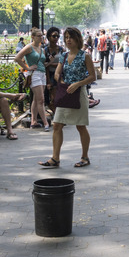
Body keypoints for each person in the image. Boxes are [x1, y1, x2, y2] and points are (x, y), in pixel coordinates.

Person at [39, 27, 96, 168]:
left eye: (71, 37)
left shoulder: (85, 56)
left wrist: (78, 84)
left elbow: (92, 76)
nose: (68, 40)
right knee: (57, 124)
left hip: (79, 94)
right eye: (66, 37)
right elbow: (57, 73)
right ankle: (55, 158)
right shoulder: (64, 56)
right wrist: (61, 81)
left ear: (78, 39)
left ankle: (85, 157)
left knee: (80, 126)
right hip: (65, 93)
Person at [15, 28, 50, 131]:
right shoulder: (29, 47)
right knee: (41, 99)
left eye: (42, 36)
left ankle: (33, 121)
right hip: (34, 74)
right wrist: (27, 68)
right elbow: (17, 58)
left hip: (42, 73)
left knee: (36, 98)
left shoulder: (41, 48)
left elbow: (42, 61)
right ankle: (45, 122)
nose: (41, 37)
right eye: (39, 36)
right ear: (33, 37)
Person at [44, 27, 64, 113]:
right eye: (54, 36)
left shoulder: (61, 49)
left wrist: (52, 64)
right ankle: (56, 114)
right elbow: (45, 66)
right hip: (50, 74)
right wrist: (48, 81)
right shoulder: (45, 50)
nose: (56, 38)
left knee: (59, 96)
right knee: (51, 97)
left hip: (60, 74)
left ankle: (58, 115)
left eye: (58, 36)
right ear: (48, 37)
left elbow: (64, 63)